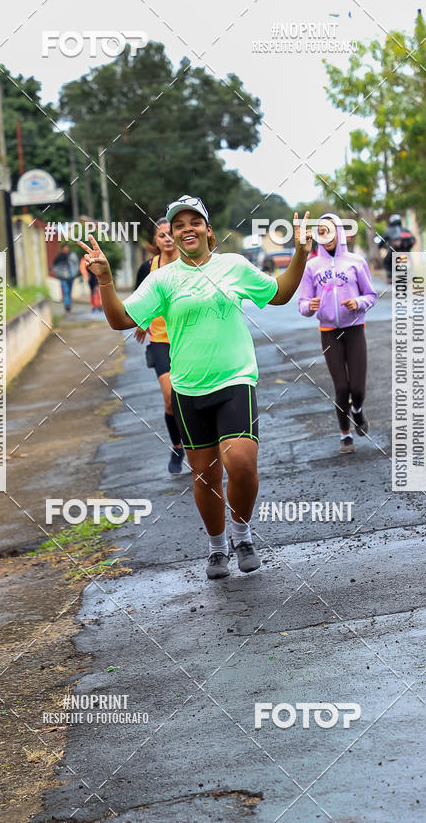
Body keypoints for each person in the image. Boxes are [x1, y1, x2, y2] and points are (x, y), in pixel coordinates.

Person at [77, 195, 312, 580]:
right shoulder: (162, 280)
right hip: (188, 388)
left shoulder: (233, 266)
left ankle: (242, 535)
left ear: (208, 230)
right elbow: (121, 320)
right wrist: (104, 280)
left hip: (234, 379)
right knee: (204, 476)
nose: (187, 228)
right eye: (178, 225)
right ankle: (217, 547)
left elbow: (280, 293)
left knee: (241, 463)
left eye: (194, 222)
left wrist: (301, 253)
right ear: (172, 235)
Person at [298, 214, 377, 454]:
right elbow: (302, 304)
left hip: (354, 330)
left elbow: (371, 296)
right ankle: (345, 435)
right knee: (341, 388)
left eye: (330, 230)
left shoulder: (356, 262)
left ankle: (357, 411)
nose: (326, 236)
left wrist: (358, 303)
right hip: (329, 333)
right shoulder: (311, 266)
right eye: (321, 231)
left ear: (340, 232)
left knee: (358, 389)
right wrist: (309, 306)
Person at [133, 218, 185, 474]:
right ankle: (177, 447)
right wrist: (142, 322)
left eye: (170, 233)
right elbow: (139, 301)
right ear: (155, 240)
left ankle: (200, 443)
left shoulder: (189, 263)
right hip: (161, 341)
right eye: (161, 234)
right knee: (170, 399)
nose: (167, 238)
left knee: (192, 396)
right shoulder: (147, 268)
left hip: (189, 338)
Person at [52, 244, 80, 312]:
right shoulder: (59, 256)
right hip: (63, 277)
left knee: (69, 291)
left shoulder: (72, 255)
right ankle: (67, 305)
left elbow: (76, 264)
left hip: (71, 276)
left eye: (67, 248)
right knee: (66, 290)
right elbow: (54, 266)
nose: (66, 250)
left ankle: (68, 303)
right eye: (65, 248)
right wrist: (58, 274)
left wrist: (75, 273)